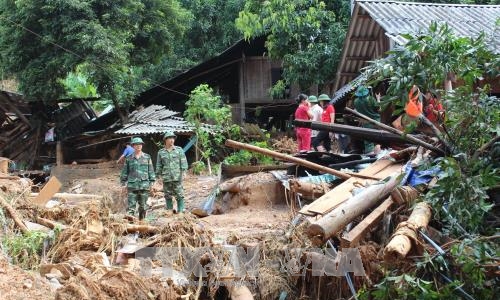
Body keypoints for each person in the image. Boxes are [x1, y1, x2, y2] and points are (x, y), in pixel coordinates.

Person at [120, 137, 156, 220]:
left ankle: (142, 226)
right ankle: (130, 227)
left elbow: (151, 170)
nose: (139, 146)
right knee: (131, 208)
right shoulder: (129, 158)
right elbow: (124, 172)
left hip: (144, 186)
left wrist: (152, 183)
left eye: (140, 144)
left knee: (143, 207)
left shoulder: (147, 157)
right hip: (132, 187)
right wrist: (123, 184)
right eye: (136, 144)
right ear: (133, 146)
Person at [156, 131, 188, 214]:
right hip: (166, 177)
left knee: (179, 194)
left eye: (173, 138)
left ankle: (181, 210)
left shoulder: (179, 150)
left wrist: (184, 172)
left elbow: (183, 162)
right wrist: (158, 176)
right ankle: (169, 211)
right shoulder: (161, 152)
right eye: (170, 138)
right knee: (167, 195)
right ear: (165, 140)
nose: (172, 140)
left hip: (177, 176)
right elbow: (159, 165)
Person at [353, 86, 381, 154]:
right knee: (377, 141)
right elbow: (379, 109)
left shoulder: (356, 101)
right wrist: (378, 99)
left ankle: (370, 158)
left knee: (368, 142)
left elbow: (357, 111)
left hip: (365, 123)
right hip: (375, 122)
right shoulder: (370, 99)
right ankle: (378, 158)